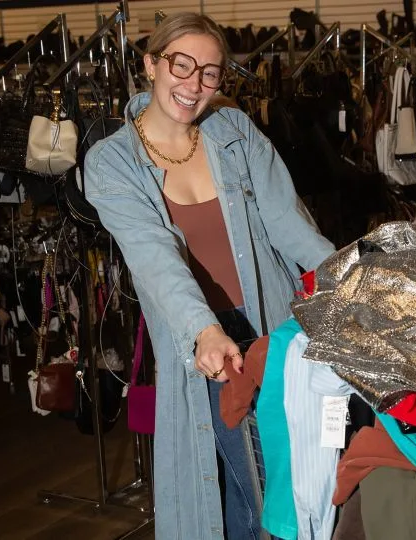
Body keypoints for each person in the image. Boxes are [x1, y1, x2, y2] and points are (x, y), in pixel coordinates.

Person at [84, 12, 335, 540]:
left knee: (286, 482)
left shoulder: (232, 131)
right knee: (244, 486)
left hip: (273, 326)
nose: (193, 84)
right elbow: (154, 256)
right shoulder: (111, 163)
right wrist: (203, 328)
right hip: (203, 343)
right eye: (182, 64)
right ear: (151, 64)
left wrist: (348, 280)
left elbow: (290, 223)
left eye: (210, 73)